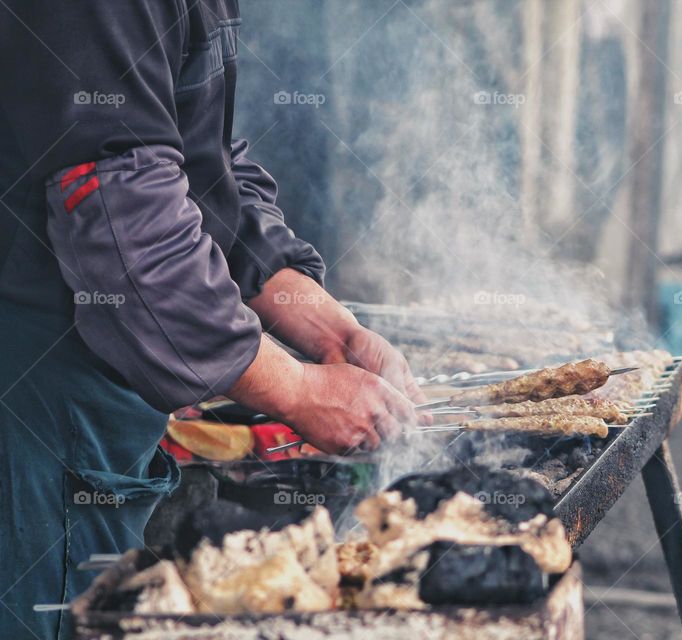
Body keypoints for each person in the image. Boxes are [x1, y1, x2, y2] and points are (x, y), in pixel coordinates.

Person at [0, 2, 424, 637]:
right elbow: (129, 229)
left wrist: (334, 332)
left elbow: (201, 171)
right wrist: (299, 389)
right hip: (36, 392)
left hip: (100, 395)